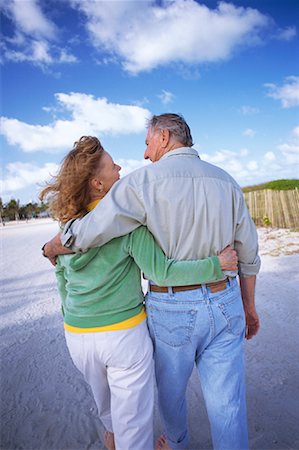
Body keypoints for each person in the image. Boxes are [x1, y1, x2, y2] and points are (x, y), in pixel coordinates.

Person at [43, 114, 261, 450]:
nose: (145, 154)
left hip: (171, 307)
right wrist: (249, 306)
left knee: (170, 392)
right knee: (228, 402)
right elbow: (248, 254)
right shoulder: (227, 181)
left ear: (162, 137)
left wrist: (55, 246)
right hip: (225, 299)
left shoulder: (140, 184)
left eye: (146, 143)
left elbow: (92, 230)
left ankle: (176, 443)